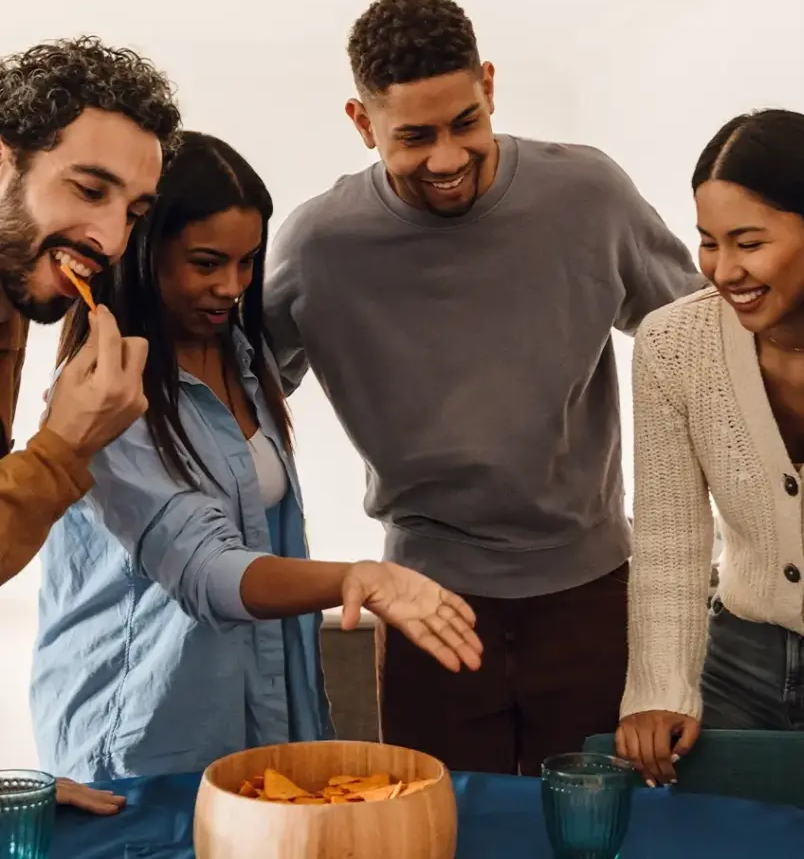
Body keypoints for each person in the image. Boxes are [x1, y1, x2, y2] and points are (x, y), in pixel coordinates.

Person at [264, 0, 703, 776]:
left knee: (597, 827)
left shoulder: (590, 196)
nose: (446, 158)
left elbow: (701, 341)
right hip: (430, 600)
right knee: (446, 830)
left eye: (466, 122)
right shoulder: (319, 245)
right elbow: (237, 394)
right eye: (414, 136)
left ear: (490, 86)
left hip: (593, 589)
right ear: (362, 125)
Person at [31, 132, 482, 783]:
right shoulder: (102, 398)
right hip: (142, 743)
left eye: (246, 265)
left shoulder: (245, 360)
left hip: (260, 719)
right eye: (207, 263)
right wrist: (360, 577)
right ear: (142, 252)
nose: (230, 287)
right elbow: (209, 572)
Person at [615, 109, 804, 787]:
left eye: (749, 242)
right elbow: (670, 535)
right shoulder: (674, 345)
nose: (723, 270)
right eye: (708, 242)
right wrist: (660, 686)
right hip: (734, 664)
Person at [0, 36, 180, 814]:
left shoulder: (13, 304)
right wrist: (64, 446)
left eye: (132, 212)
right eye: (87, 188)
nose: (108, 240)